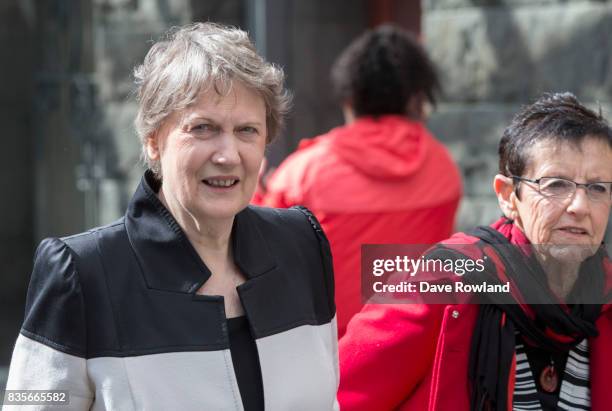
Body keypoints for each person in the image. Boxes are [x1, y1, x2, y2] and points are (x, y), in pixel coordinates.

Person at [5, 23, 339, 411]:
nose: (228, 154)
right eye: (203, 128)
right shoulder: (82, 274)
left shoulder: (301, 246)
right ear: (152, 139)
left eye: (247, 130)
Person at [338, 92, 612, 410]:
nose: (579, 206)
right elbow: (337, 398)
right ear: (508, 196)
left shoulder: (606, 298)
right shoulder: (443, 282)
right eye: (555, 185)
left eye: (597, 188)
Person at [255, 24, 462, 337]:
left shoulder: (303, 174)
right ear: (416, 100)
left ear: (349, 98)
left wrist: (254, 197)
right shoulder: (443, 168)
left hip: (328, 359)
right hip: (416, 352)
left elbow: (258, 260)